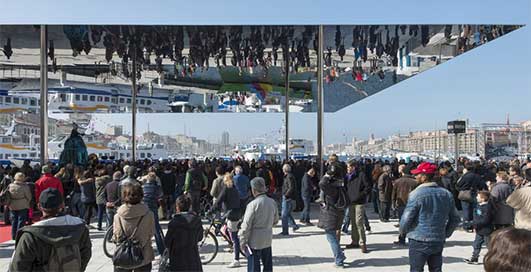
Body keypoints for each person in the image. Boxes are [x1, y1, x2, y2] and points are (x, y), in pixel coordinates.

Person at [9, 188, 92, 271]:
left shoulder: (31, 235)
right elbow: (86, 254)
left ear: (39, 206)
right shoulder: (80, 227)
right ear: (62, 205)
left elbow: (18, 266)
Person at [400, 162, 461, 272]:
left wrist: (403, 231)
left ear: (424, 177)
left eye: (417, 174)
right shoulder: (446, 194)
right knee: (436, 269)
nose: (415, 176)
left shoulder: (416, 194)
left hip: (418, 238)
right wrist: (446, 233)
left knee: (416, 269)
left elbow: (406, 218)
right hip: (438, 238)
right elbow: (455, 218)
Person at [239, 177, 279, 272]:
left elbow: (246, 225)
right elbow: (276, 220)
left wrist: (242, 240)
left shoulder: (252, 205)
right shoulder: (272, 202)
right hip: (267, 238)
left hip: (254, 240)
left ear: (254, 190)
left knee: (254, 267)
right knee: (268, 266)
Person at [113, 183, 155, 272]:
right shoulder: (149, 214)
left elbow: (116, 235)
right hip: (143, 254)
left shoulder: (118, 216)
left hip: (123, 255)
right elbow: (151, 233)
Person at [318, 163, 347, 267]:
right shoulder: (341, 185)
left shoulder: (331, 188)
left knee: (331, 237)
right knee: (332, 236)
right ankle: (340, 255)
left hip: (331, 215)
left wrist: (327, 174)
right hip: (338, 214)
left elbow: (322, 183)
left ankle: (339, 259)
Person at [211, 173, 242, 268]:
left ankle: (236, 259)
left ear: (226, 180)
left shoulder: (226, 188)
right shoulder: (234, 188)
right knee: (225, 228)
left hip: (231, 214)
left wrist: (211, 210)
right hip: (235, 212)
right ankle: (233, 246)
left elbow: (219, 200)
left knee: (234, 236)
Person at [164, 195, 204, 272]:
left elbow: (167, 242)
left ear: (177, 207)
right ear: (190, 207)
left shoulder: (174, 223)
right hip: (193, 258)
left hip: (178, 260)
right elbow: (200, 237)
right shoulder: (197, 220)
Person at [344, 160, 370, 253]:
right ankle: (354, 241)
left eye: (348, 167)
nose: (347, 169)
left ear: (353, 167)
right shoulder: (347, 177)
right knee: (353, 222)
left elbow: (367, 187)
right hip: (350, 202)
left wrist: (360, 195)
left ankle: (363, 243)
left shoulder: (361, 175)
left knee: (359, 221)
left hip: (359, 202)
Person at [464, 191, 494, 265]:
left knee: (489, 245)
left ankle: (493, 259)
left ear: (483, 199)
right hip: (479, 229)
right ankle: (474, 258)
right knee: (476, 244)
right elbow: (476, 217)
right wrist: (474, 225)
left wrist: (474, 223)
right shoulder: (478, 205)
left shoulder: (487, 208)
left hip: (486, 230)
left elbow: (485, 220)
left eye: (478, 196)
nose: (476, 197)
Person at [391, 164, 417, 245]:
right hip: (412, 203)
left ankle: (401, 239)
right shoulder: (415, 182)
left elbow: (393, 194)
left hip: (401, 203)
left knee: (402, 222)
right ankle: (411, 239)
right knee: (412, 222)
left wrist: (393, 203)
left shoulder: (397, 181)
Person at [142, 172, 165, 255]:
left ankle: (144, 248)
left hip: (144, 209)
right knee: (156, 230)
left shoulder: (143, 187)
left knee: (143, 229)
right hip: (153, 208)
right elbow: (161, 196)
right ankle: (161, 249)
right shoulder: (157, 188)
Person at [6, 172, 32, 240]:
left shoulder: (10, 185)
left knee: (14, 220)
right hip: (22, 204)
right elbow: (29, 196)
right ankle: (19, 235)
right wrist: (27, 202)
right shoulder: (25, 187)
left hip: (12, 204)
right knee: (21, 221)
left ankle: (13, 235)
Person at [280, 163, 299, 235]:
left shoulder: (289, 177)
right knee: (287, 213)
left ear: (285, 170)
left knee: (284, 215)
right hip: (288, 197)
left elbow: (291, 187)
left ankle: (285, 231)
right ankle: (294, 225)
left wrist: (286, 195)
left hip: (287, 197)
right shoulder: (288, 176)